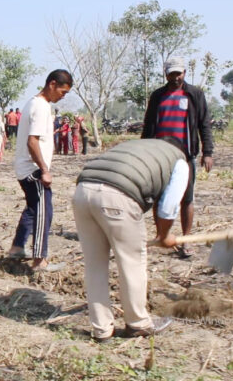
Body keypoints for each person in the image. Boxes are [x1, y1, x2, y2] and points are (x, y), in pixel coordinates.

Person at [72, 137, 188, 342]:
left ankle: (102, 330)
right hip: (118, 196)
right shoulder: (179, 162)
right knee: (131, 262)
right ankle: (138, 324)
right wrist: (163, 236)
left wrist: (162, 234)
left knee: (95, 265)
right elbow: (168, 206)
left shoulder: (138, 147)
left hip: (82, 192)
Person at [141, 56, 214, 258]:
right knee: (158, 197)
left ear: (184, 73)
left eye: (178, 73)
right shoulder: (158, 96)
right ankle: (161, 236)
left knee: (186, 199)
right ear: (166, 74)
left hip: (185, 156)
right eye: (171, 73)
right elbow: (148, 126)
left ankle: (185, 240)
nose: (175, 77)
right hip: (159, 156)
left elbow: (204, 125)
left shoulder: (195, 95)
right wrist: (144, 150)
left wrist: (208, 152)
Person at [7, 69, 73, 272]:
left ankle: (17, 248)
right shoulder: (41, 106)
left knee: (33, 208)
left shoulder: (33, 104)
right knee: (45, 212)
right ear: (52, 84)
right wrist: (44, 169)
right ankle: (40, 260)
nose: (62, 96)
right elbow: (32, 141)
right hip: (33, 169)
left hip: (25, 167)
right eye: (63, 91)